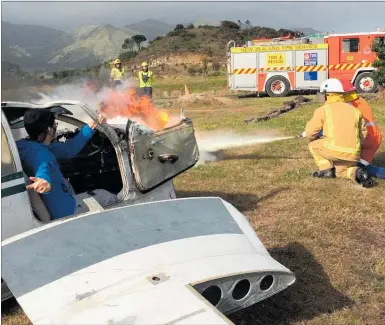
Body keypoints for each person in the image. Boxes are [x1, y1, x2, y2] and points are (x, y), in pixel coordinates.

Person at [16, 109, 118, 220]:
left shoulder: (23, 146)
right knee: (108, 197)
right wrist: (44, 183)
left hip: (55, 204)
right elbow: (43, 169)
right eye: (55, 124)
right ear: (49, 130)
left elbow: (69, 149)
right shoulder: (43, 156)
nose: (56, 127)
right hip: (68, 210)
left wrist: (94, 122)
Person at [304, 78, 374, 188]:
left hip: (333, 151)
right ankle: (359, 173)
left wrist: (312, 137)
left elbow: (310, 132)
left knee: (312, 145)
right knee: (340, 172)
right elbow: (363, 133)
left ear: (327, 95)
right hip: (353, 154)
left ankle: (325, 170)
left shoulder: (323, 109)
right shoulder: (355, 111)